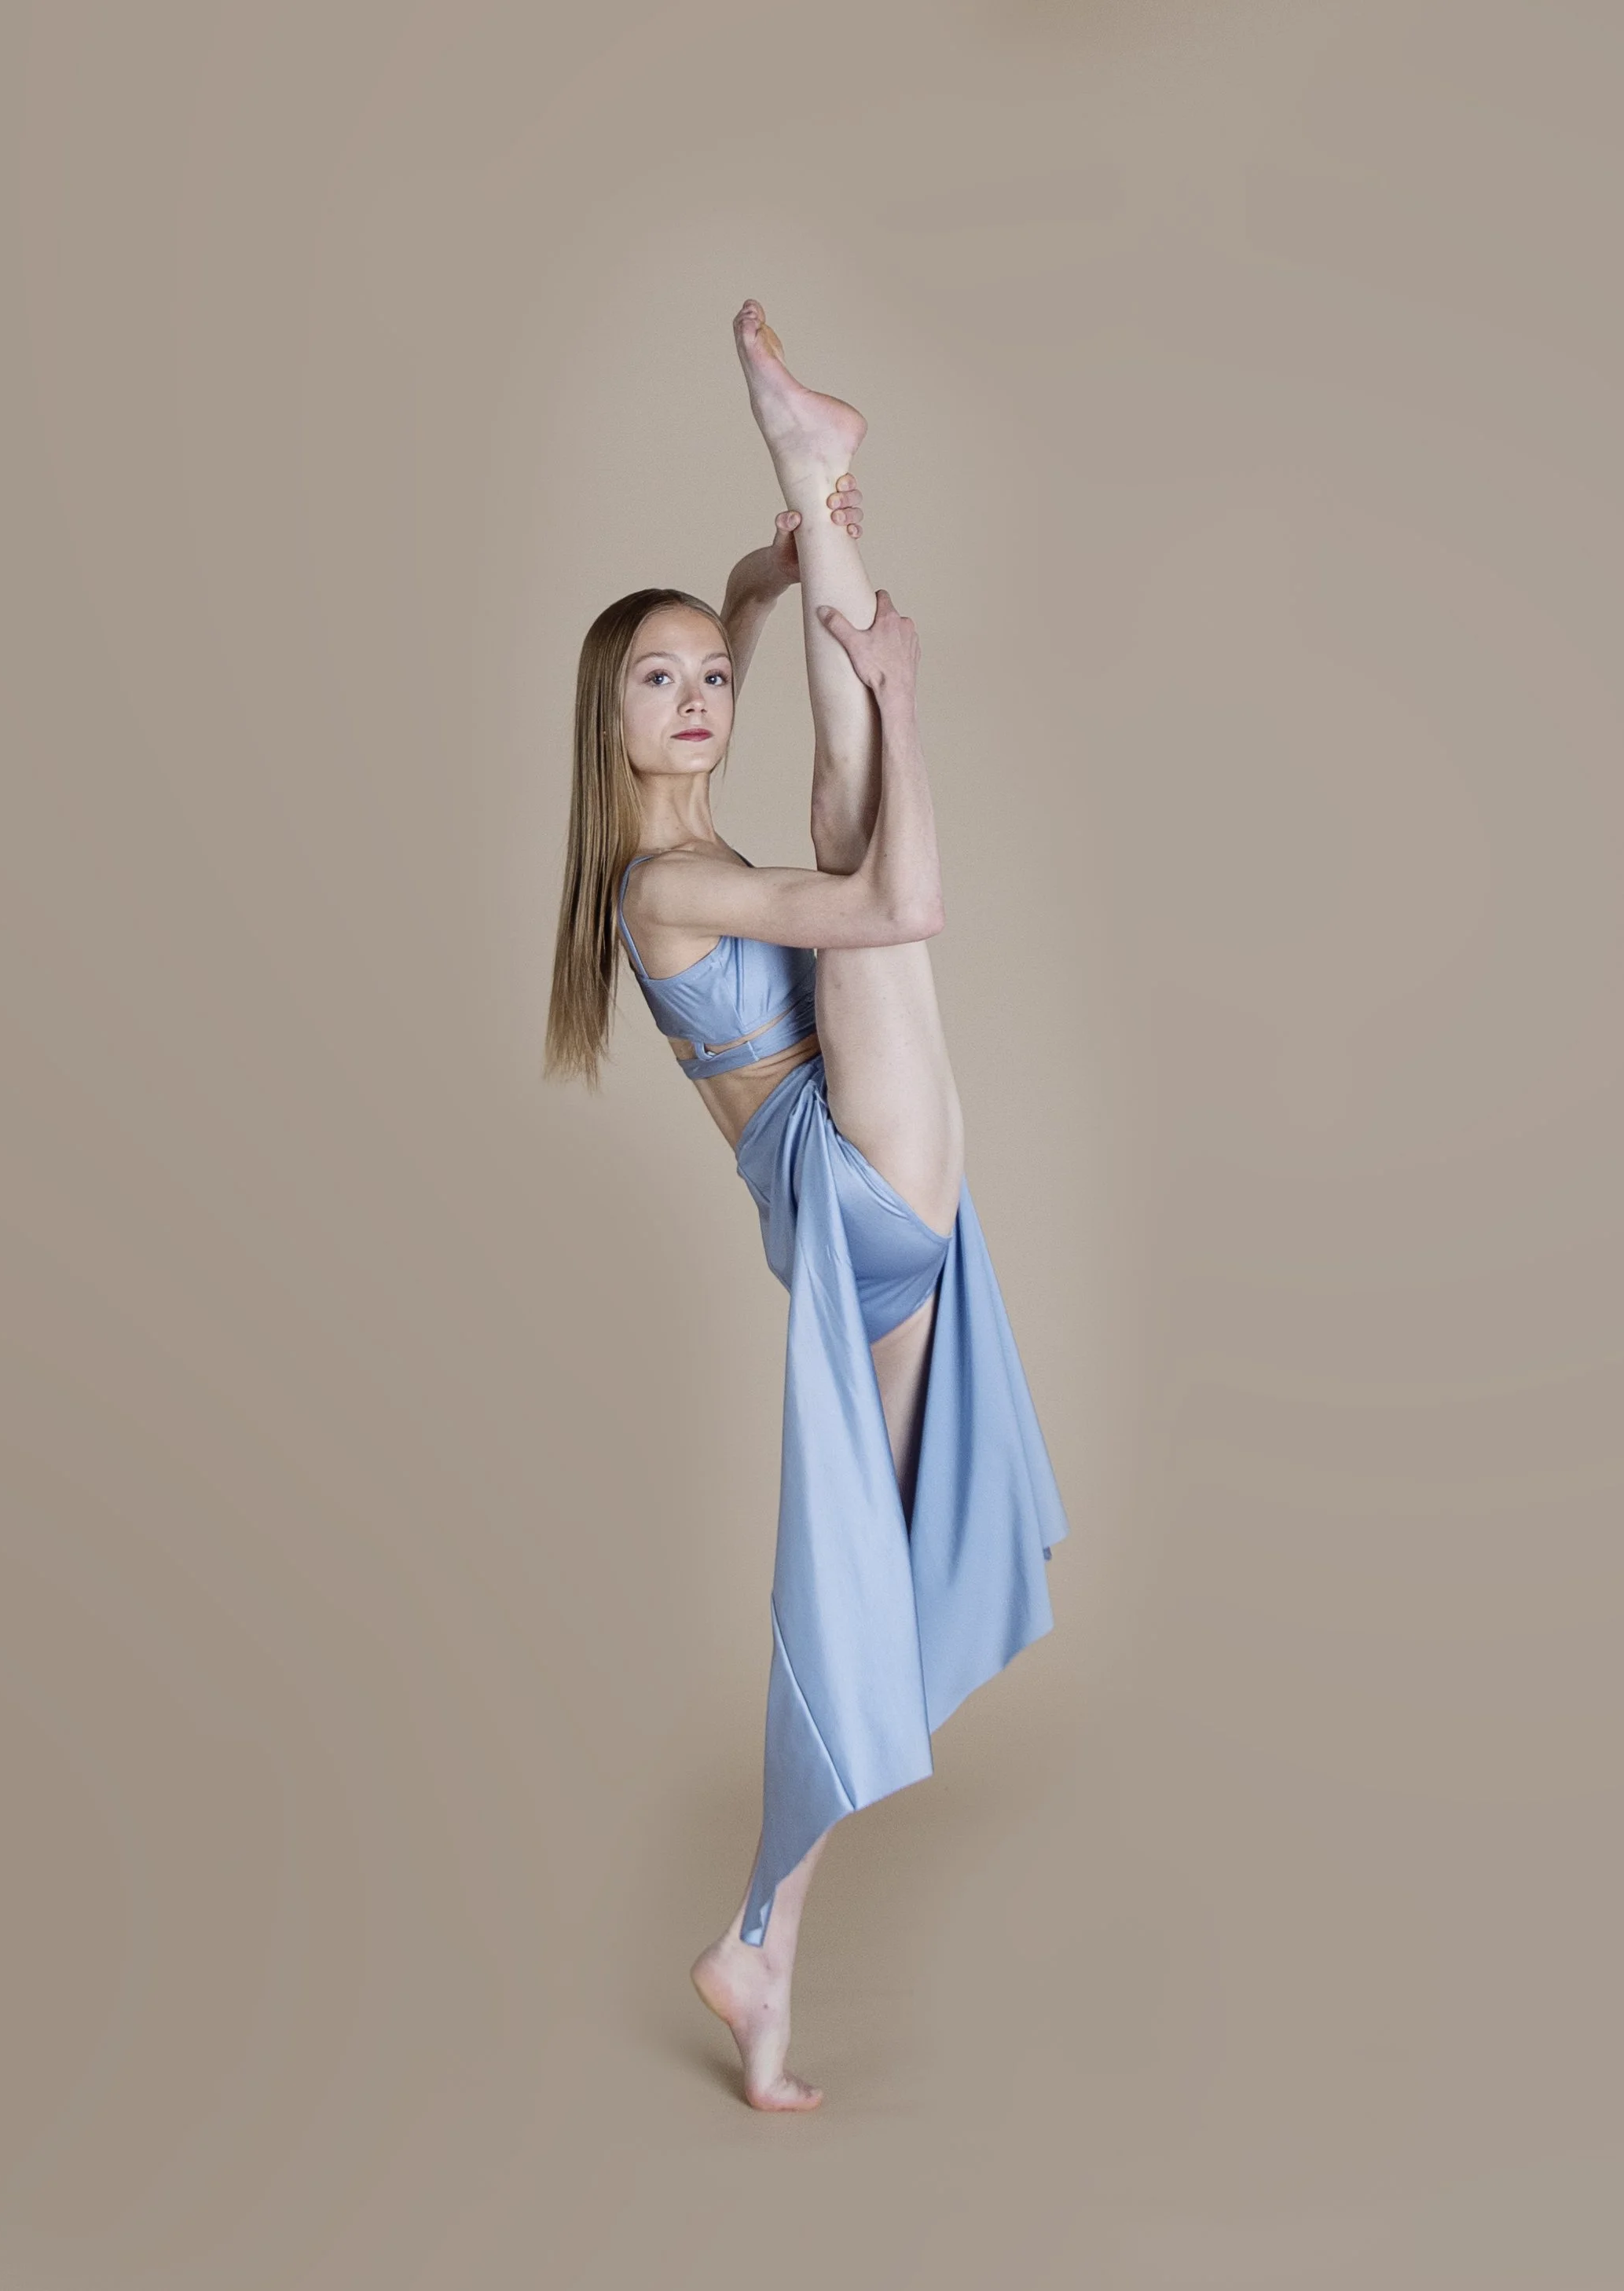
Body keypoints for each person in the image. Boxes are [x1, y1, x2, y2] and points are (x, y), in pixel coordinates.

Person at [544, 302, 1068, 2110]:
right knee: (859, 812)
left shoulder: (655, 854)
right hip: (854, 1187)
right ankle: (813, 467)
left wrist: (759, 589)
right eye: (661, 685)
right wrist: (902, 690)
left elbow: (736, 681)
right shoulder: (680, 875)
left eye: (708, 677)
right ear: (608, 728)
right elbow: (897, 908)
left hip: (844, 1210)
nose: (697, 699)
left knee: (887, 1598)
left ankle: (761, 1942)